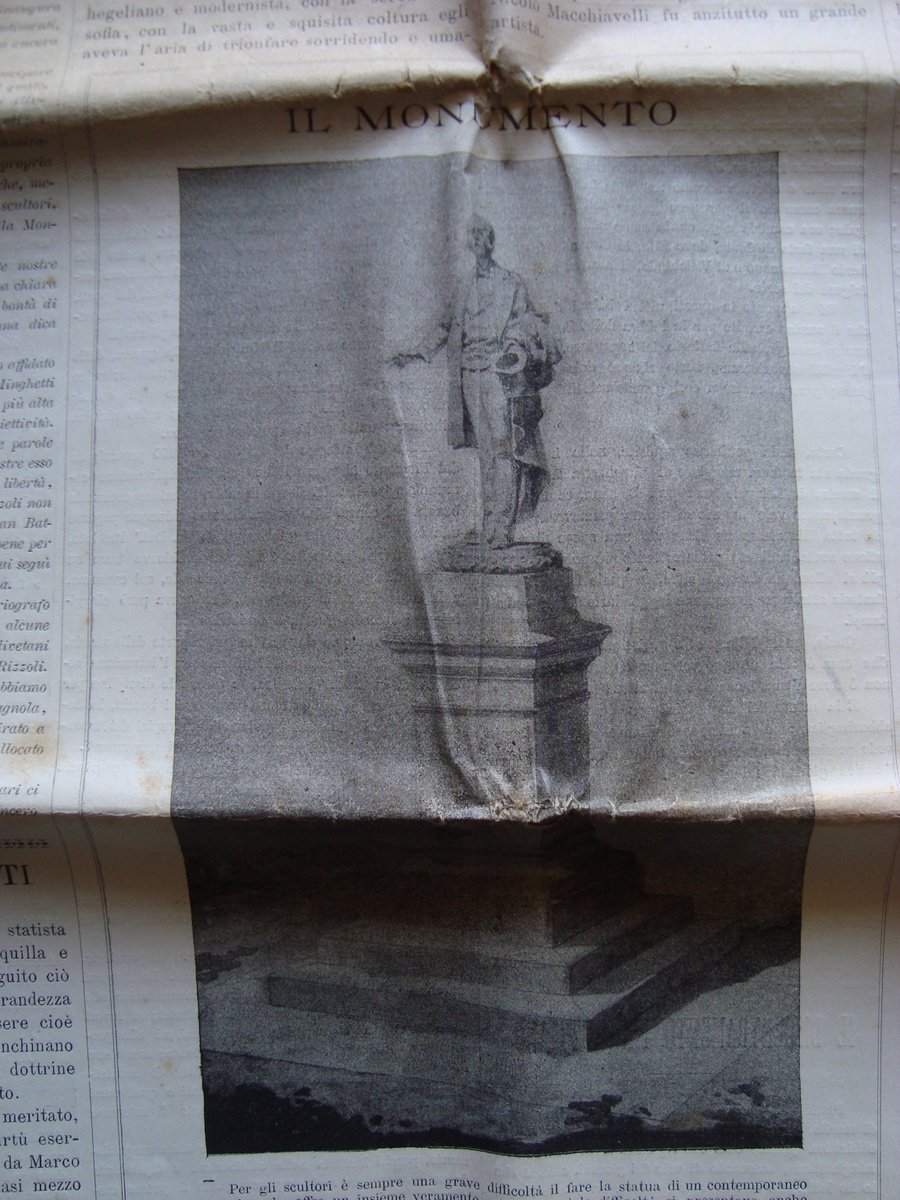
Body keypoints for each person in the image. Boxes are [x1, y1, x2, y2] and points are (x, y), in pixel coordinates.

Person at [392, 217, 560, 550]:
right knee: (487, 452)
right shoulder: (464, 285)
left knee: (504, 448)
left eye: (484, 235)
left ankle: (503, 528)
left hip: (500, 373)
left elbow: (525, 321)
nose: (480, 240)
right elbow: (445, 327)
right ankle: (491, 525)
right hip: (470, 373)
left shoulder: (511, 282)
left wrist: (513, 349)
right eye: (474, 236)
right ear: (470, 244)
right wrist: (417, 353)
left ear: (492, 242)